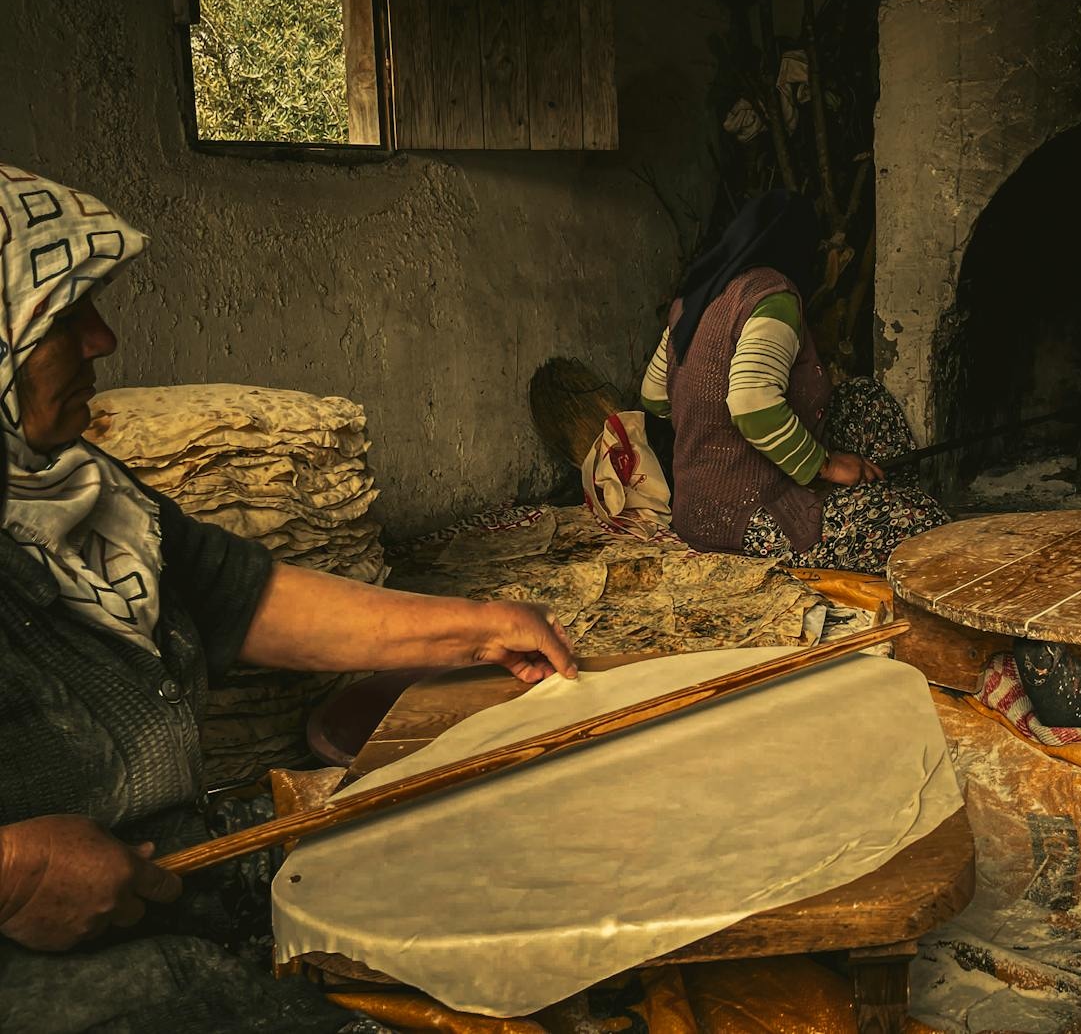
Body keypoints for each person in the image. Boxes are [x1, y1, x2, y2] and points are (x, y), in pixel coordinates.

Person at [0, 168, 578, 1032]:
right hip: (32, 963)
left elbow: (243, 598)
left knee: (460, 853)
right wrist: (12, 871)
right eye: (65, 318)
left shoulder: (72, 484)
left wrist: (481, 626)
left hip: (159, 859)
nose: (104, 340)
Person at [639, 190, 947, 573]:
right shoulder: (771, 296)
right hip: (747, 521)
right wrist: (829, 465)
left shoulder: (693, 300)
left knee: (862, 396)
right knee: (921, 521)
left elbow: (654, 397)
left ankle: (875, 492)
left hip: (691, 511)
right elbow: (753, 405)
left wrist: (709, 430)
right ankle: (877, 504)